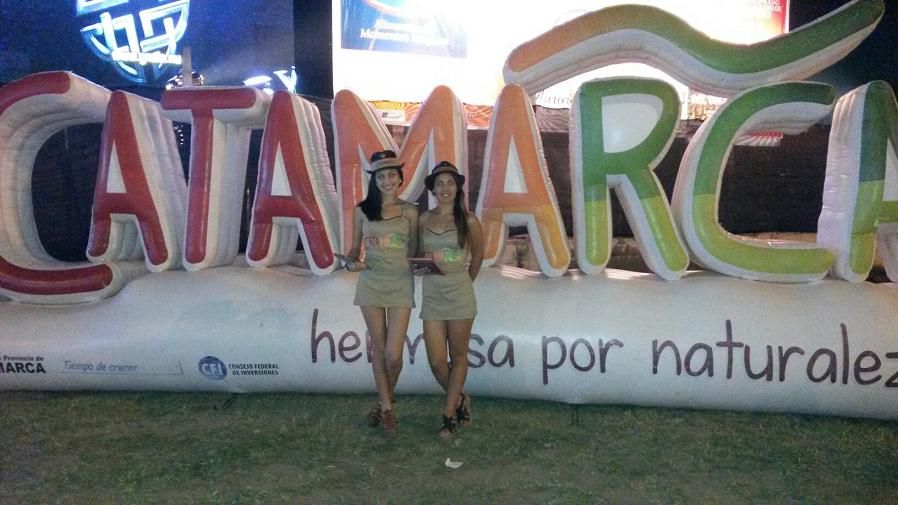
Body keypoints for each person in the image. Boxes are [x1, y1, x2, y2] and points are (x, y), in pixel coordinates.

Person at [343, 149, 418, 436]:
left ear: (400, 178)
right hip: (371, 281)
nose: (387, 181)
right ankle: (387, 408)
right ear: (374, 180)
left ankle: (382, 401)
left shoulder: (410, 211)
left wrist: (426, 264)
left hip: (400, 282)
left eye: (392, 175)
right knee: (379, 347)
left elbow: (416, 251)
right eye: (381, 176)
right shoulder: (362, 210)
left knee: (393, 355)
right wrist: (351, 261)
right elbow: (355, 247)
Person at [415, 160, 483, 437]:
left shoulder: (469, 220)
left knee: (458, 355)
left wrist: (464, 282)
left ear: (457, 188)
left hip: (459, 294)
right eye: (440, 184)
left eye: (450, 183)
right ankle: (461, 398)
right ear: (433, 189)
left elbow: (478, 257)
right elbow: (419, 254)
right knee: (436, 361)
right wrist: (419, 266)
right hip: (432, 294)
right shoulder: (423, 219)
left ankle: (448, 415)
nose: (445, 188)